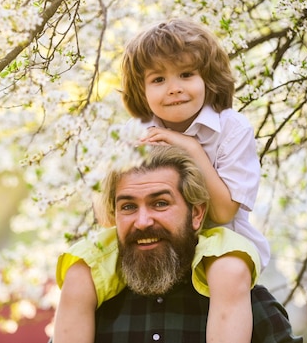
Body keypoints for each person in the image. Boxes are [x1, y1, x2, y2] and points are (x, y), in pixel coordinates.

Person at [54, 19, 270, 343]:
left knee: (228, 272)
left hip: (216, 239)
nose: (174, 87)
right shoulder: (133, 134)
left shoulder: (232, 128)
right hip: (155, 235)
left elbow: (224, 212)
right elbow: (110, 213)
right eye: (158, 79)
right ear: (142, 90)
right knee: (80, 269)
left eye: (186, 74)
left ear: (207, 79)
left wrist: (192, 148)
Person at [53, 146, 302, 342]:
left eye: (160, 203)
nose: (142, 222)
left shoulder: (245, 301)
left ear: (196, 214)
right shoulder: (91, 305)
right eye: (128, 207)